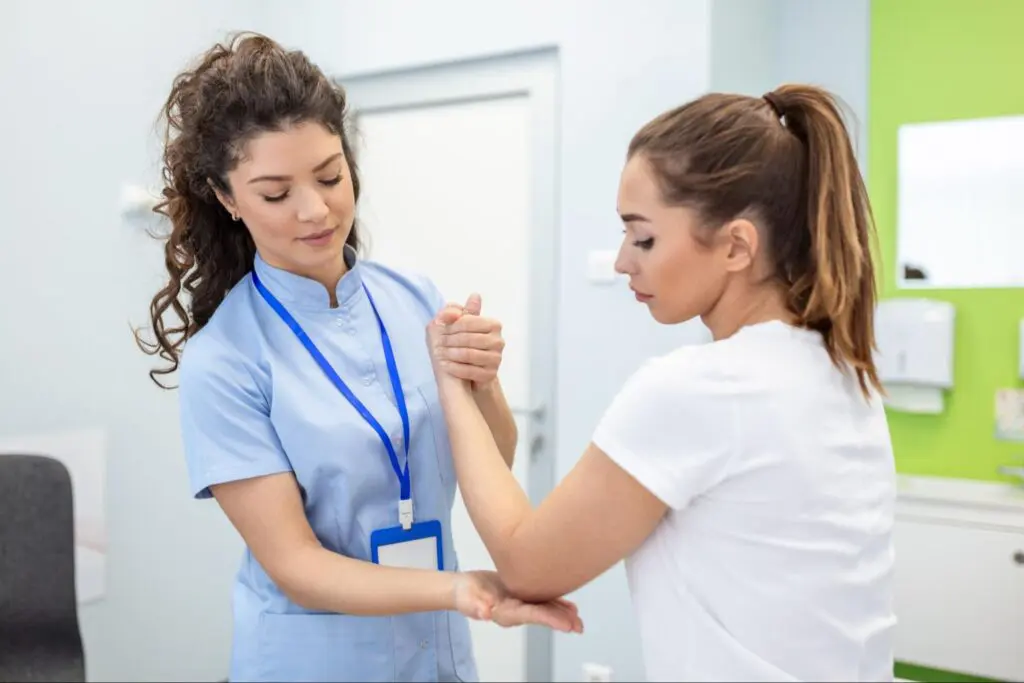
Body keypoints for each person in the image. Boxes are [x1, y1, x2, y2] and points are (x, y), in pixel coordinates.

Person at [134, 33, 582, 683]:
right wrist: (458, 588)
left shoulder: (413, 297)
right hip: (318, 660)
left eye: (329, 176)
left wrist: (482, 382)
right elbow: (296, 564)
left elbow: (497, 458)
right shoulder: (225, 360)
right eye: (275, 193)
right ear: (227, 199)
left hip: (437, 649)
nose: (316, 210)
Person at [427, 85, 896, 682]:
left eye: (643, 237)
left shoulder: (704, 388)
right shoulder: (843, 370)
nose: (623, 261)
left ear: (736, 246)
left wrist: (452, 382)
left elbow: (524, 563)